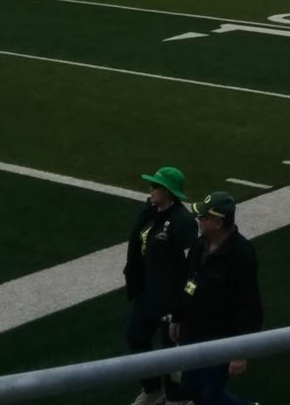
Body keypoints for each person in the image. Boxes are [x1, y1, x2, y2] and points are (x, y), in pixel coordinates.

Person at [171, 192, 264, 405]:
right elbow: (186, 282)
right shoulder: (199, 245)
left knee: (209, 395)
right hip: (192, 331)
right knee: (190, 389)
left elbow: (249, 305)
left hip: (219, 337)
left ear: (218, 222)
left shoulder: (242, 254)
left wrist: (240, 351)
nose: (198, 221)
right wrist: (177, 317)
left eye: (203, 218)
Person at [124, 166, 197, 405]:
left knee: (172, 354)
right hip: (147, 293)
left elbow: (190, 265)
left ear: (168, 191)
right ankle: (153, 389)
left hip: (170, 299)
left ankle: (177, 399)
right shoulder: (150, 211)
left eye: (155, 186)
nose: (150, 189)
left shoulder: (183, 221)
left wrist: (181, 308)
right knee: (136, 338)